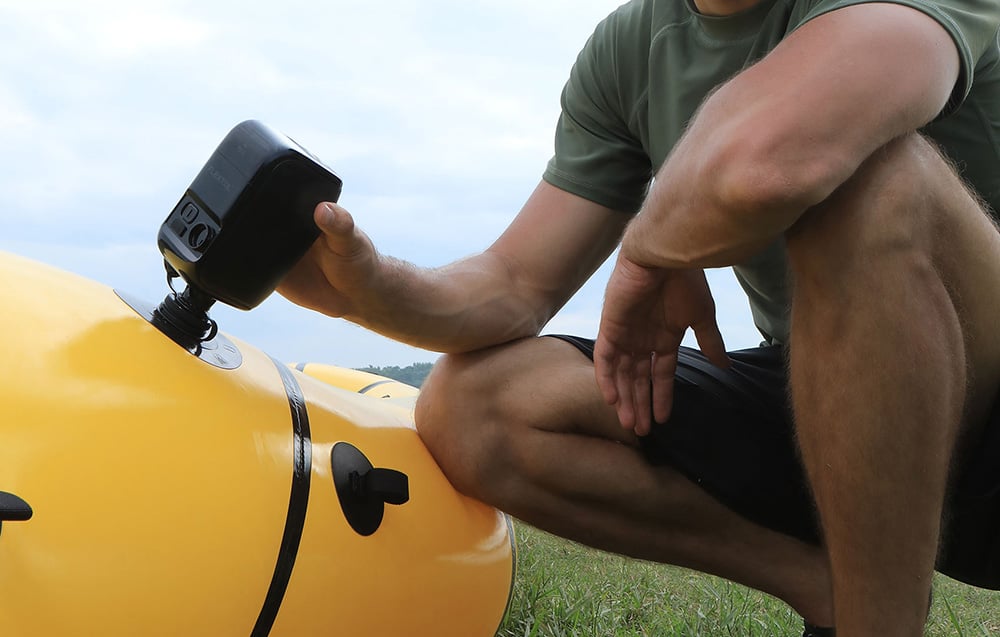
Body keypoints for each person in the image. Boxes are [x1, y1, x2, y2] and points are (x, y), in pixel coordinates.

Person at [279, 0, 1000, 634]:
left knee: (877, 181)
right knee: (473, 405)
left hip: (987, 399)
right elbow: (516, 280)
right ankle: (830, 590)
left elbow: (774, 160)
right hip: (830, 405)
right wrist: (373, 290)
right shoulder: (629, 48)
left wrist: (649, 248)